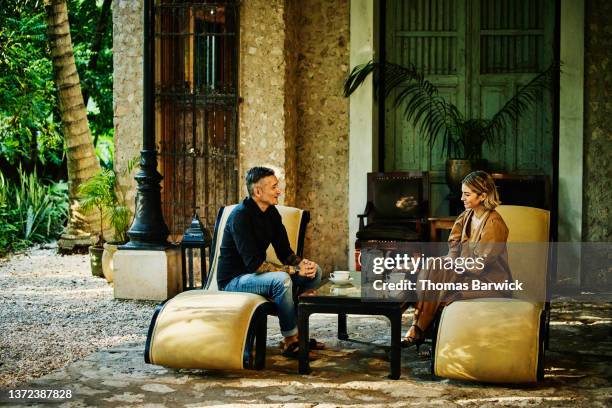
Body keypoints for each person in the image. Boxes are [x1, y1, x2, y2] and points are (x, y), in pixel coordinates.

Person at [217, 166, 323, 357]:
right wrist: (293, 270)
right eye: (274, 187)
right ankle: (291, 340)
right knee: (281, 280)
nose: (279, 191)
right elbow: (255, 266)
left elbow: (285, 252)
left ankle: (296, 334)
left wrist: (302, 264)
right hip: (234, 281)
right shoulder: (240, 216)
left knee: (316, 272)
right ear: (257, 191)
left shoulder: (271, 213)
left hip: (256, 277)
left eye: (277, 186)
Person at [402, 170, 512, 348]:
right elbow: (453, 244)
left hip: (488, 280)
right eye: (462, 193)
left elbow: (480, 264)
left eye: (467, 194)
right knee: (434, 265)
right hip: (464, 272)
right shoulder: (466, 215)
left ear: (483, 195)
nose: (462, 198)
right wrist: (450, 262)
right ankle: (419, 325)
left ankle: (420, 327)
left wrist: (453, 266)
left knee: (440, 285)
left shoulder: (494, 223)